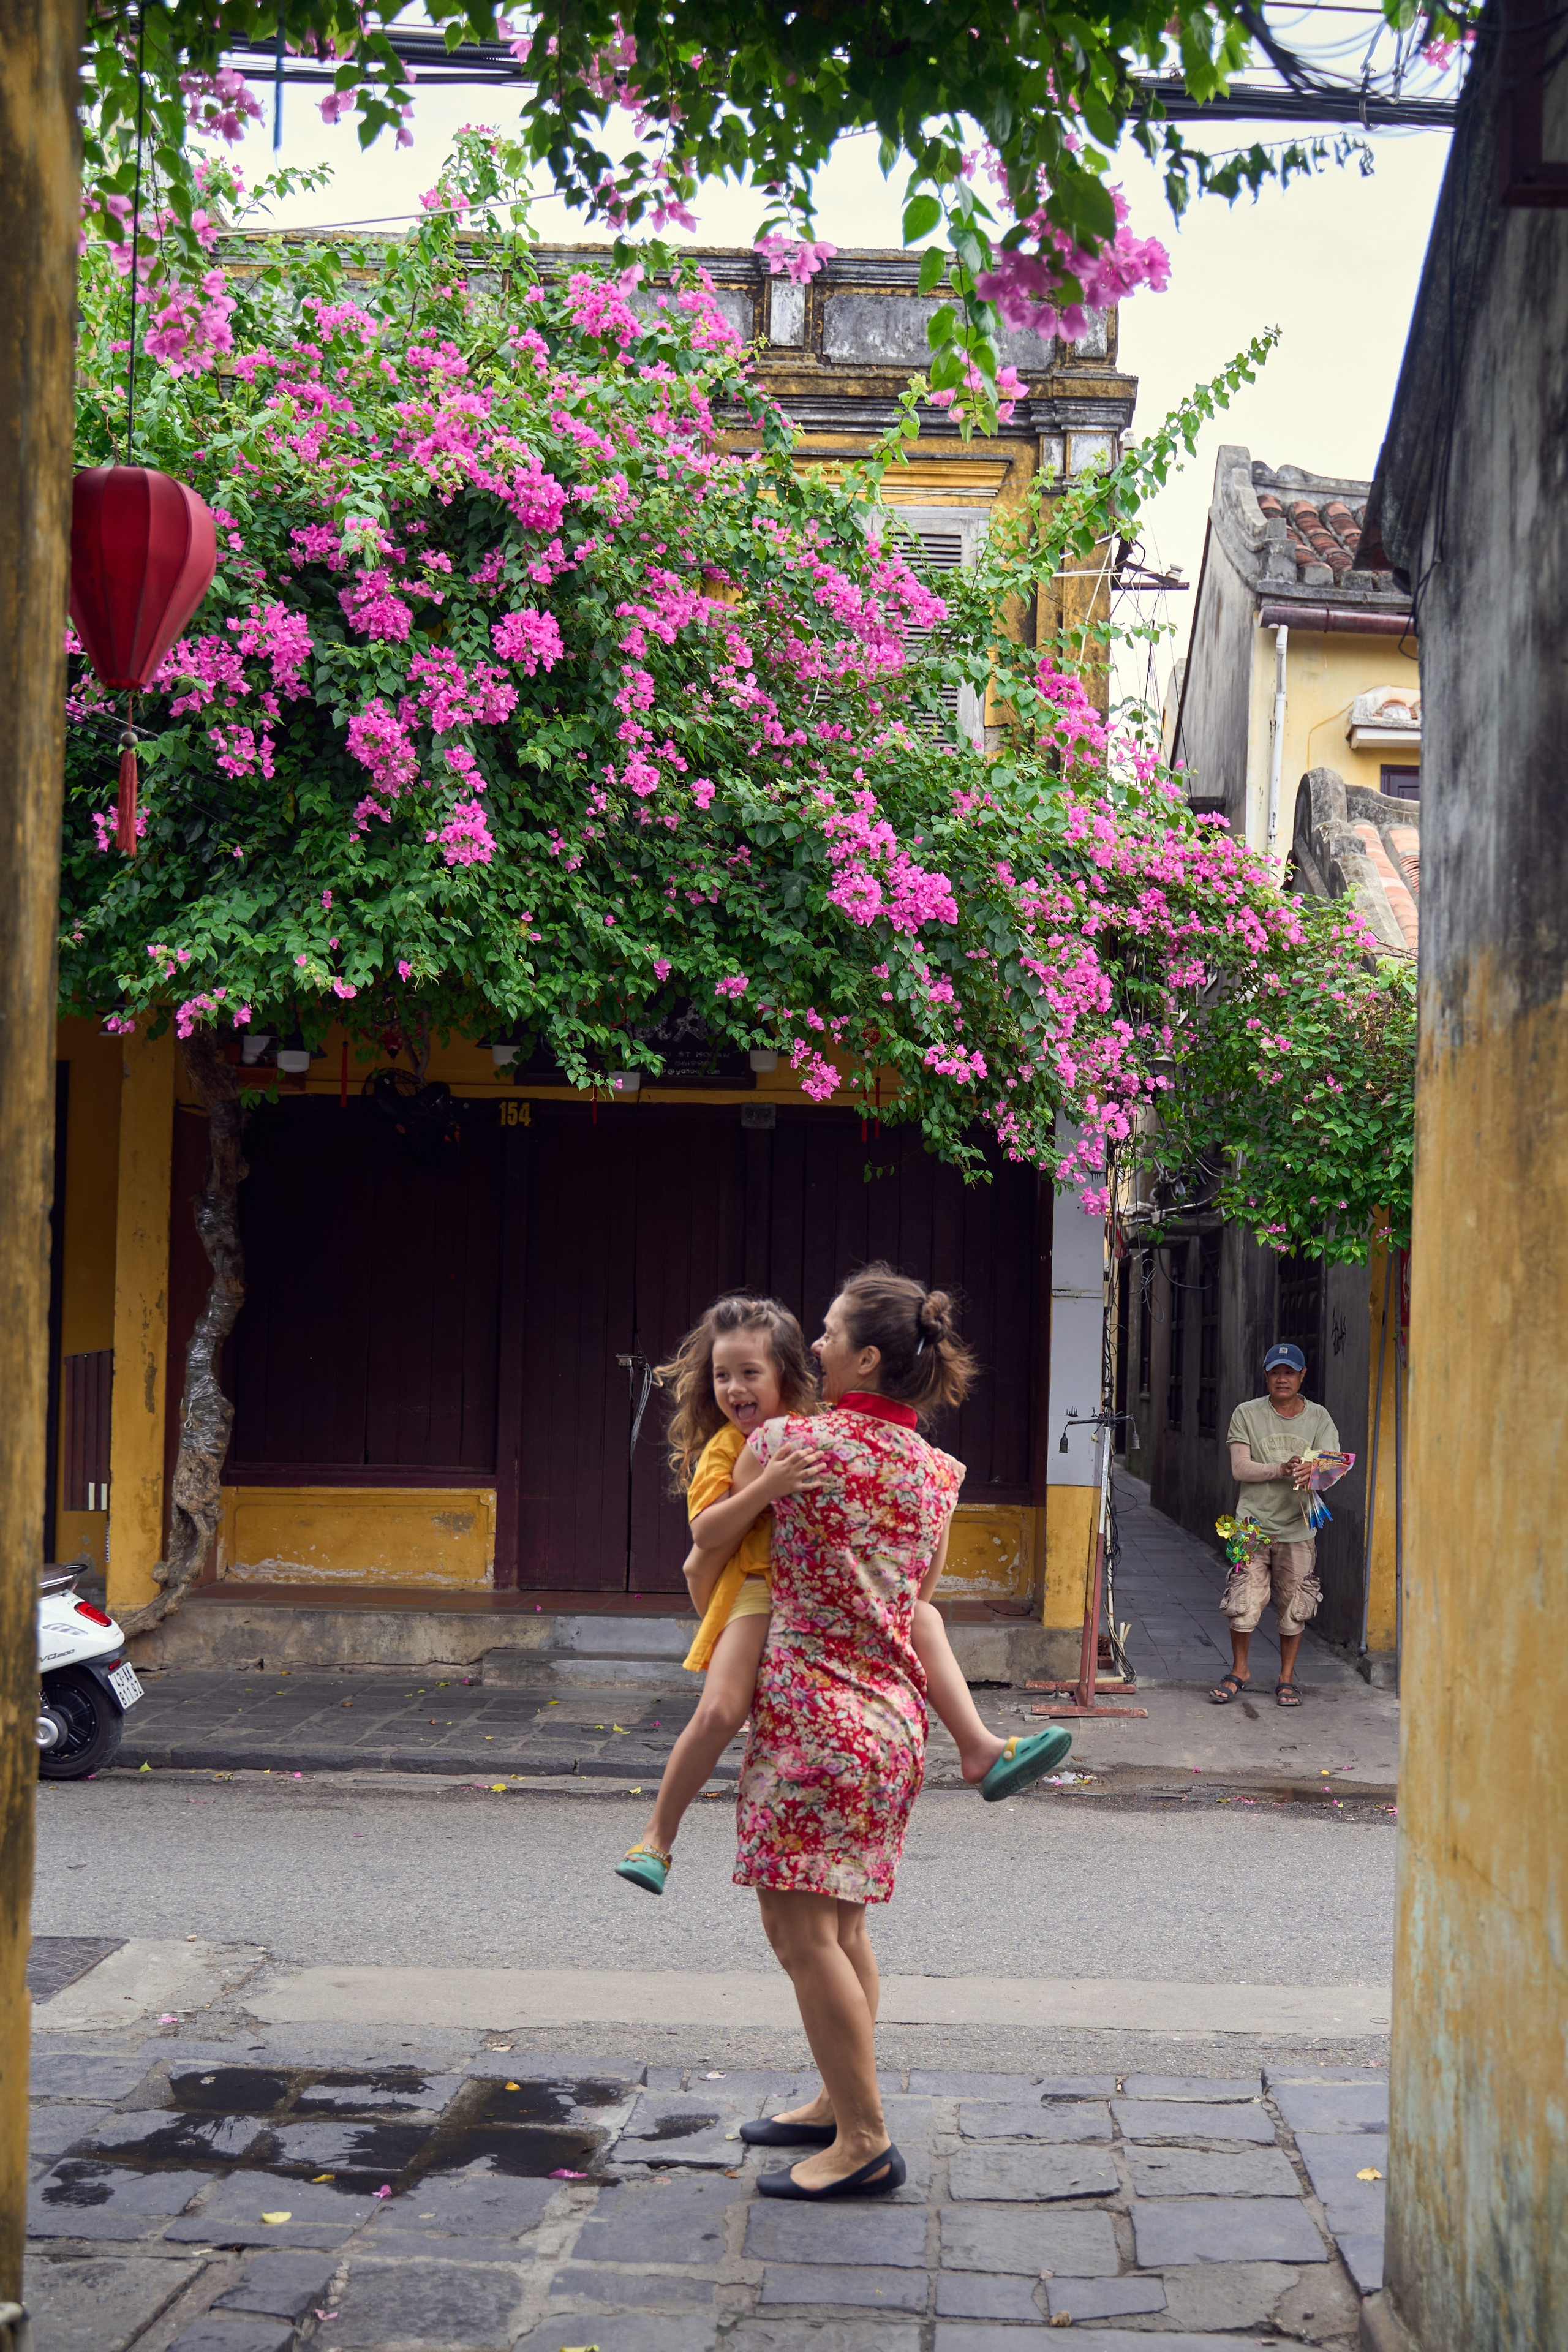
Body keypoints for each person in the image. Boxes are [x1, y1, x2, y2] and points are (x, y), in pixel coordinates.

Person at [728, 1267, 1071, 2200]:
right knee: (839, 1929)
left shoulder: (786, 1442)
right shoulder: (938, 1473)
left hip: (810, 1718)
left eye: (831, 1336)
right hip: (890, 1723)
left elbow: (714, 1545)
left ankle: (866, 2138)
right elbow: (916, 1604)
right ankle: (840, 2108)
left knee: (802, 1938)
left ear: (868, 1356)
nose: (815, 1350)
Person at [616, 1291, 1070, 1894]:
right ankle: (657, 1838)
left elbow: (909, 1585)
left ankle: (980, 1746)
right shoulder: (739, 1447)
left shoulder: (804, 1433)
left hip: (814, 1597)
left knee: (924, 1618)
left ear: (787, 1377)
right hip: (757, 1588)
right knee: (723, 1710)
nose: (733, 1388)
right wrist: (765, 1486)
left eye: (750, 1373)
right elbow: (705, 1538)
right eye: (722, 1376)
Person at [1211, 1341, 1338, 1709]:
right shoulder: (1246, 1414)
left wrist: (1311, 1469)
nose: (1283, 1379)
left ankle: (1286, 1678)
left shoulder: (1319, 1418)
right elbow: (1239, 1468)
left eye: (1290, 1372)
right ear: (1266, 1376)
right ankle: (1240, 1670)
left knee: (1295, 1605)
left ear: (1302, 1376)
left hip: (1299, 1529)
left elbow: (1334, 1466)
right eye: (1276, 1372)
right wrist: (1280, 1468)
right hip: (1250, 1529)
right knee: (1242, 1602)